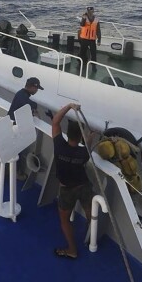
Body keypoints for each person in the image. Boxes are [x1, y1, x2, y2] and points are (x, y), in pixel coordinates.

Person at [52, 103, 94, 259]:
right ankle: (92, 236)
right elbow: (88, 147)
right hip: (83, 185)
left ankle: (72, 250)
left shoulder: (59, 146)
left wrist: (69, 106)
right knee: (90, 213)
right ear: (80, 137)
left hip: (67, 190)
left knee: (64, 221)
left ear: (67, 134)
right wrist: (90, 137)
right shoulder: (84, 153)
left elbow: (55, 122)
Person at [0, 77, 44, 184]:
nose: (37, 91)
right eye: (36, 89)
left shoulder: (23, 95)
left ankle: (17, 172)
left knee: (18, 149)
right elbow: (28, 104)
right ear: (32, 87)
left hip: (18, 128)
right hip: (11, 127)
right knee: (4, 151)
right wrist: (35, 108)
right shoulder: (21, 95)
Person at [78, 6, 101, 72]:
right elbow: (82, 25)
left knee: (93, 53)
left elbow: (98, 30)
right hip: (84, 39)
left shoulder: (96, 19)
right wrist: (83, 19)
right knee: (82, 53)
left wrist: (99, 40)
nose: (90, 12)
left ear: (93, 11)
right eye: (89, 11)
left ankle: (94, 66)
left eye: (91, 11)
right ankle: (81, 64)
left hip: (92, 39)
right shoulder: (84, 17)